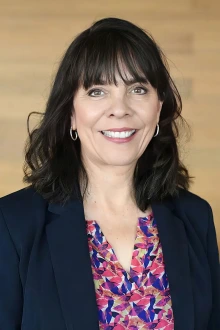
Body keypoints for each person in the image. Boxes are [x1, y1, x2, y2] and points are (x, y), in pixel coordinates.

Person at [0, 17, 219, 330]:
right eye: (97, 91)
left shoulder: (195, 217)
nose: (120, 109)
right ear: (71, 113)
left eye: (138, 89)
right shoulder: (13, 223)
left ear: (158, 107)